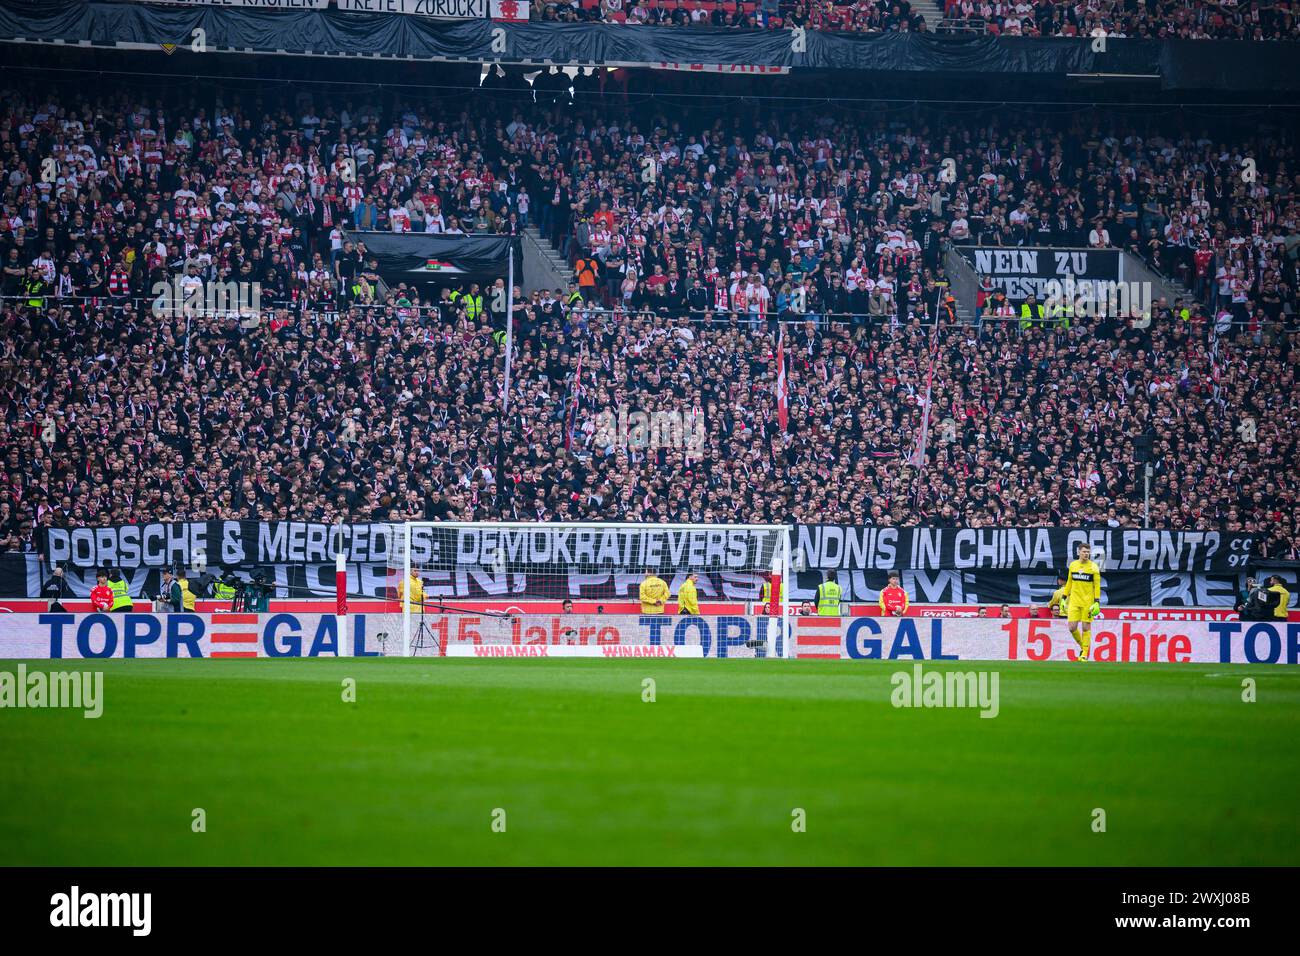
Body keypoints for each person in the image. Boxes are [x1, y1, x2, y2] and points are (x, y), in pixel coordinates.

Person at [1063, 544, 1102, 661]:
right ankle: (1083, 647)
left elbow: (1097, 585)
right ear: (1078, 552)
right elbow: (1069, 582)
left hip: (1087, 602)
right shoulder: (1073, 565)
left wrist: (1096, 602)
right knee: (1071, 627)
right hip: (1074, 601)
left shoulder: (1093, 567)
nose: (1086, 554)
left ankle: (1084, 654)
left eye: (1088, 552)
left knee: (1085, 627)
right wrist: (1064, 597)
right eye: (1084, 552)